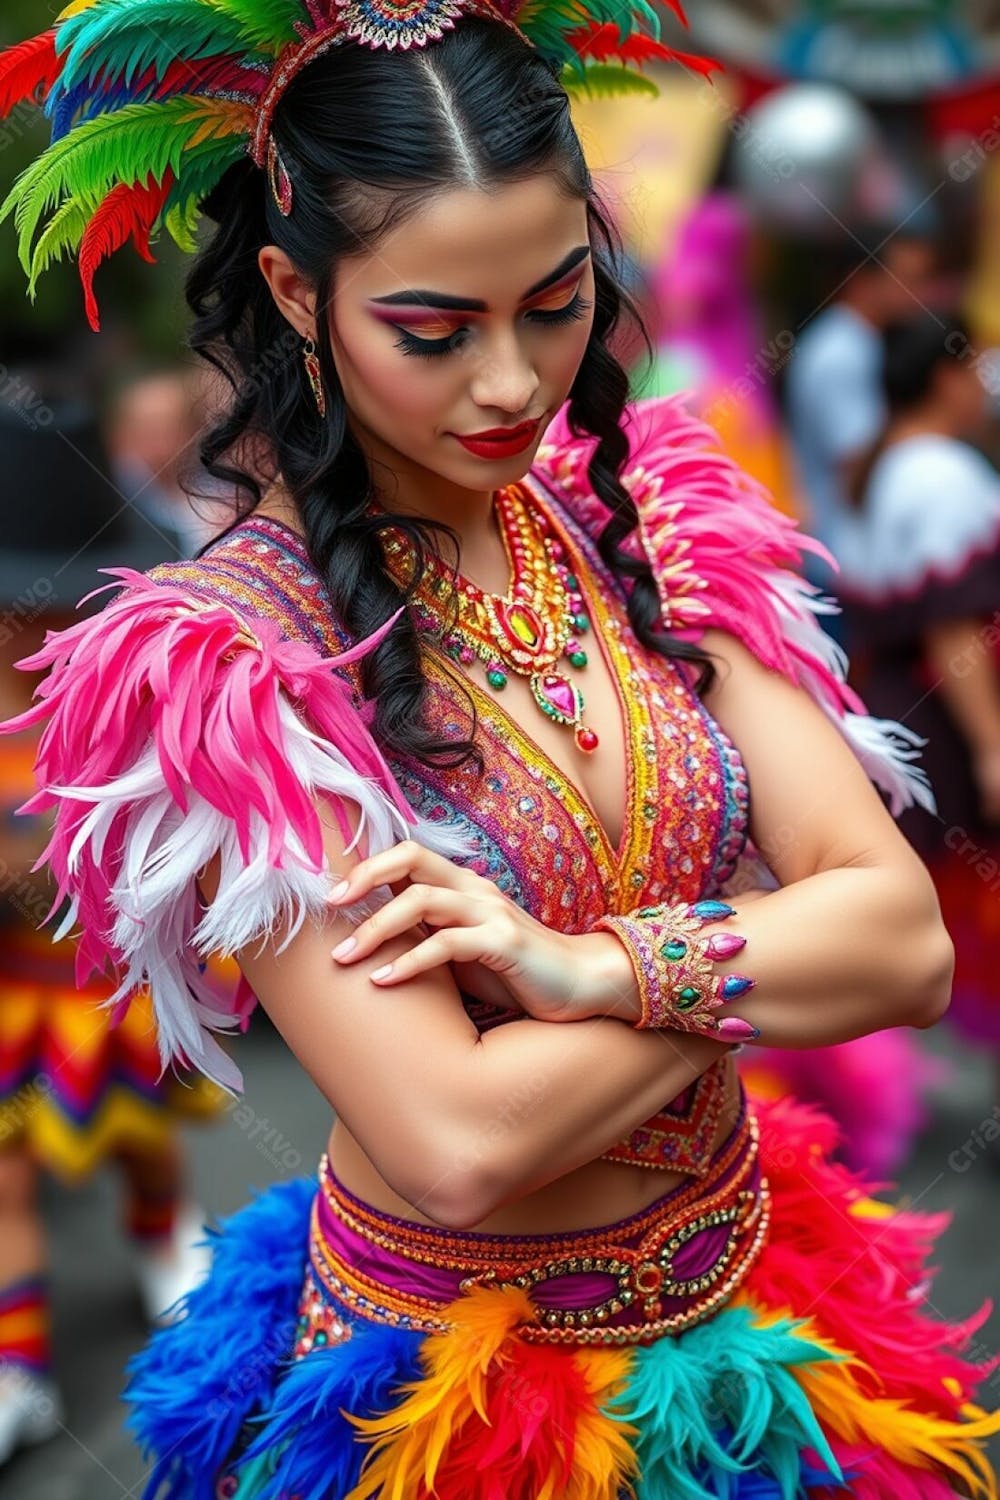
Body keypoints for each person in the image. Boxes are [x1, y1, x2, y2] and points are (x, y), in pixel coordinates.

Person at [0, 3, 997, 1496]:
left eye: (554, 301)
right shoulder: (224, 666)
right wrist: (778, 951)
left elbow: (906, 939)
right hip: (446, 1401)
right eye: (435, 330)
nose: (514, 385)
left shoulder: (652, 509)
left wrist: (597, 969)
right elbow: (458, 1141)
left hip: (754, 1312)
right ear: (293, 290)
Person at [0, 399, 227, 1465]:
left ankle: (162, 1245)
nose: (30, 627)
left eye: (48, 603)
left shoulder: (114, 700)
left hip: (107, 982)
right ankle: (18, 1367)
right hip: (10, 1005)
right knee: (4, 1183)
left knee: (142, 1144)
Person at [840, 311, 1000, 1108]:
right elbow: (954, 629)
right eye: (979, 369)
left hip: (915, 714)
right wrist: (993, 746)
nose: (985, 388)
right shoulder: (937, 471)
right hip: (947, 725)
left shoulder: (890, 464)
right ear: (946, 378)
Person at [785, 229, 940, 580]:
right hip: (841, 560)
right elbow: (859, 465)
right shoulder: (842, 352)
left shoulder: (854, 341)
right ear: (861, 282)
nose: (922, 295)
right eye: (908, 280)